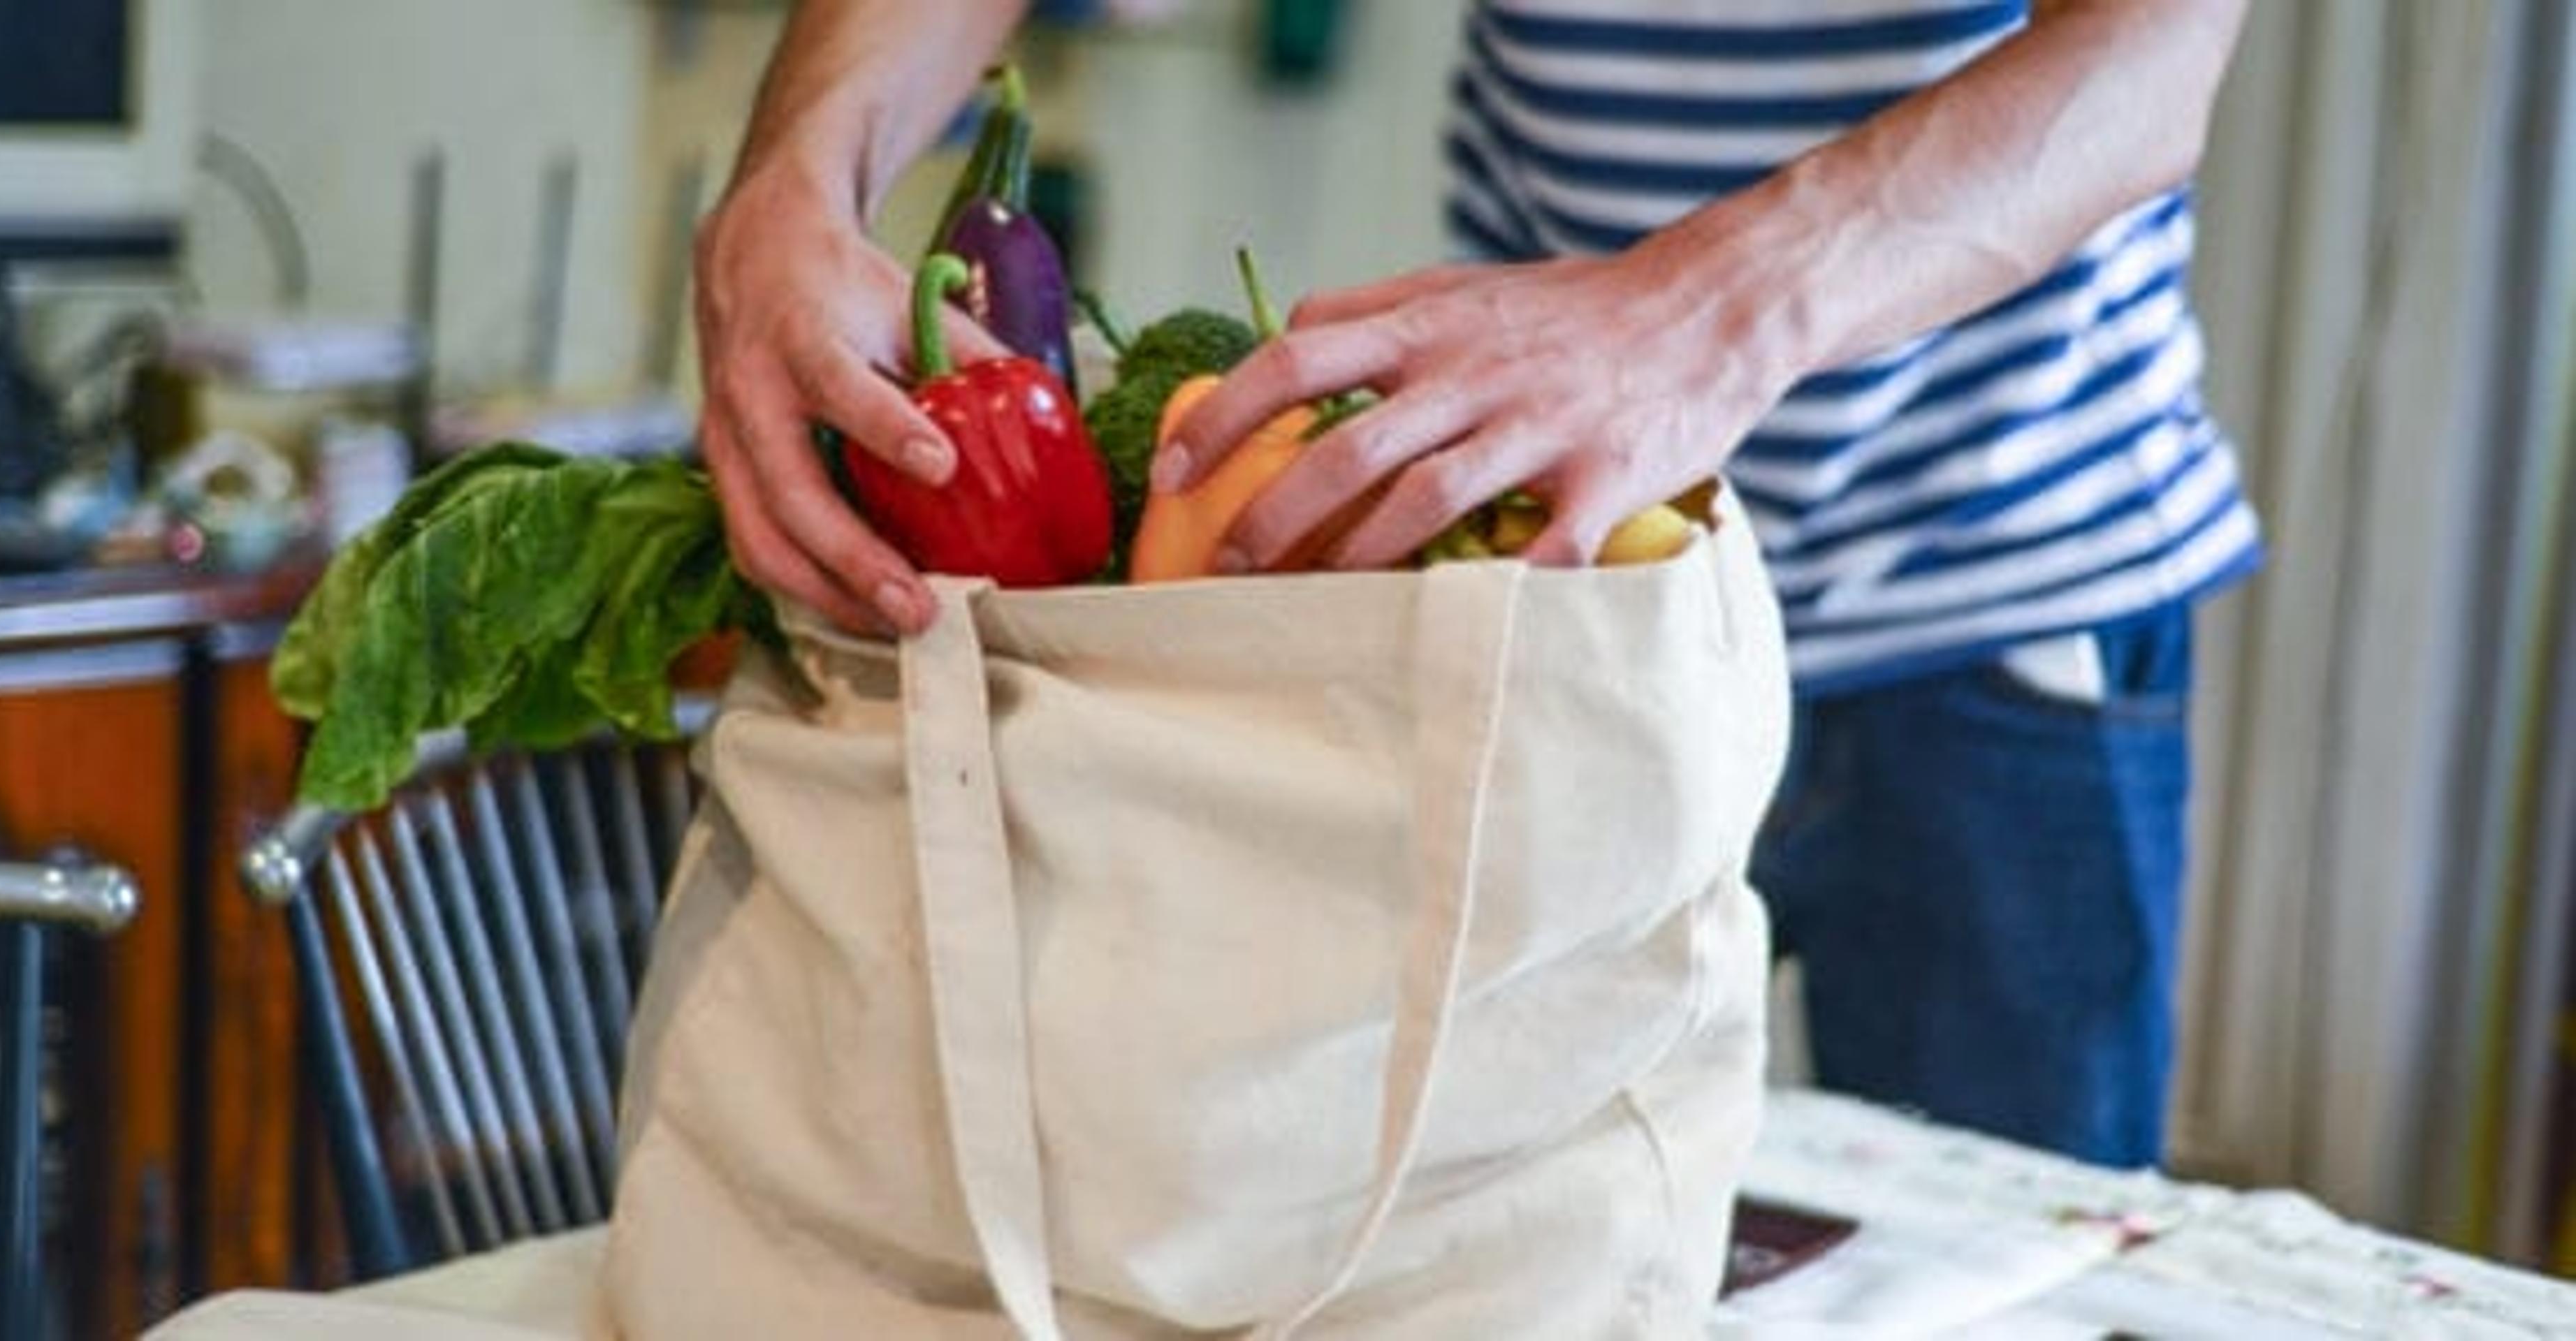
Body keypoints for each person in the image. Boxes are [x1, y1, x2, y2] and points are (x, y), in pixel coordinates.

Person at [692, 0, 2256, 1169]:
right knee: (1505, 1243)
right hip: (1533, 597)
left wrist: (1695, 317)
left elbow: (2150, 62)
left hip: (1990, 594)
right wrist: (793, 184)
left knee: (1998, 1278)